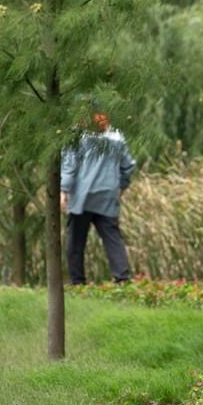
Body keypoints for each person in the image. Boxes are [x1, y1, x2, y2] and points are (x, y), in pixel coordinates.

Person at [60, 112, 136, 284]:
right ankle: (122, 279)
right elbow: (128, 165)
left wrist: (63, 191)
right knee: (113, 239)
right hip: (108, 196)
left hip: (82, 197)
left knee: (76, 242)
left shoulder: (76, 135)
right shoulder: (116, 135)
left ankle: (78, 282)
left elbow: (69, 166)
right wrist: (121, 186)